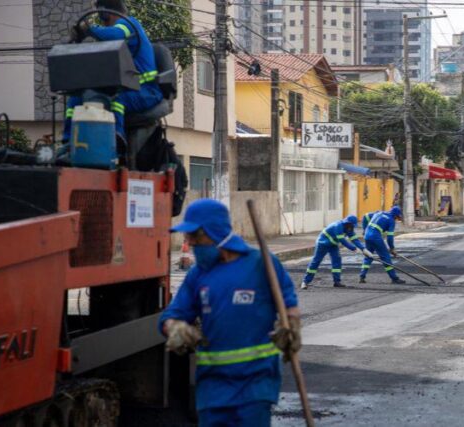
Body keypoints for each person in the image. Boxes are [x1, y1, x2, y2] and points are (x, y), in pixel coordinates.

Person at [158, 199, 300, 426]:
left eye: (195, 236)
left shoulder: (261, 264)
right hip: (213, 389)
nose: (190, 243)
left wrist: (291, 324)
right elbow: (172, 314)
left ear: (214, 232)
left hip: (256, 385)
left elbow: (288, 302)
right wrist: (174, 327)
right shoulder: (198, 274)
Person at [63, 0, 163, 145]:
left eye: (101, 16)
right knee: (77, 98)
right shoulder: (110, 40)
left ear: (106, 13)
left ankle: (117, 139)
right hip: (124, 89)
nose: (102, 22)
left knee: (117, 99)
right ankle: (68, 141)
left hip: (146, 90)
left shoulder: (129, 24)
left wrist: (90, 29)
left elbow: (116, 34)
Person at [300, 215, 371, 290]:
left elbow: (355, 239)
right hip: (323, 243)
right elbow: (342, 240)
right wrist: (353, 248)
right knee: (316, 261)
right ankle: (305, 282)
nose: (352, 227)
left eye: (353, 226)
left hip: (333, 244)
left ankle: (337, 282)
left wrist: (364, 249)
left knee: (337, 261)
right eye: (351, 225)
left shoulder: (349, 228)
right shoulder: (338, 226)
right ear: (347, 223)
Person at [359, 206, 406, 284]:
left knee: (368, 255)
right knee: (385, 257)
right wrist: (392, 248)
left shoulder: (379, 212)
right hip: (375, 237)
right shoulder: (391, 220)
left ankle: (362, 276)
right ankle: (394, 278)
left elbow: (366, 216)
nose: (397, 219)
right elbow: (390, 237)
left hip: (367, 235)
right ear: (395, 215)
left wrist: (364, 229)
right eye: (397, 217)